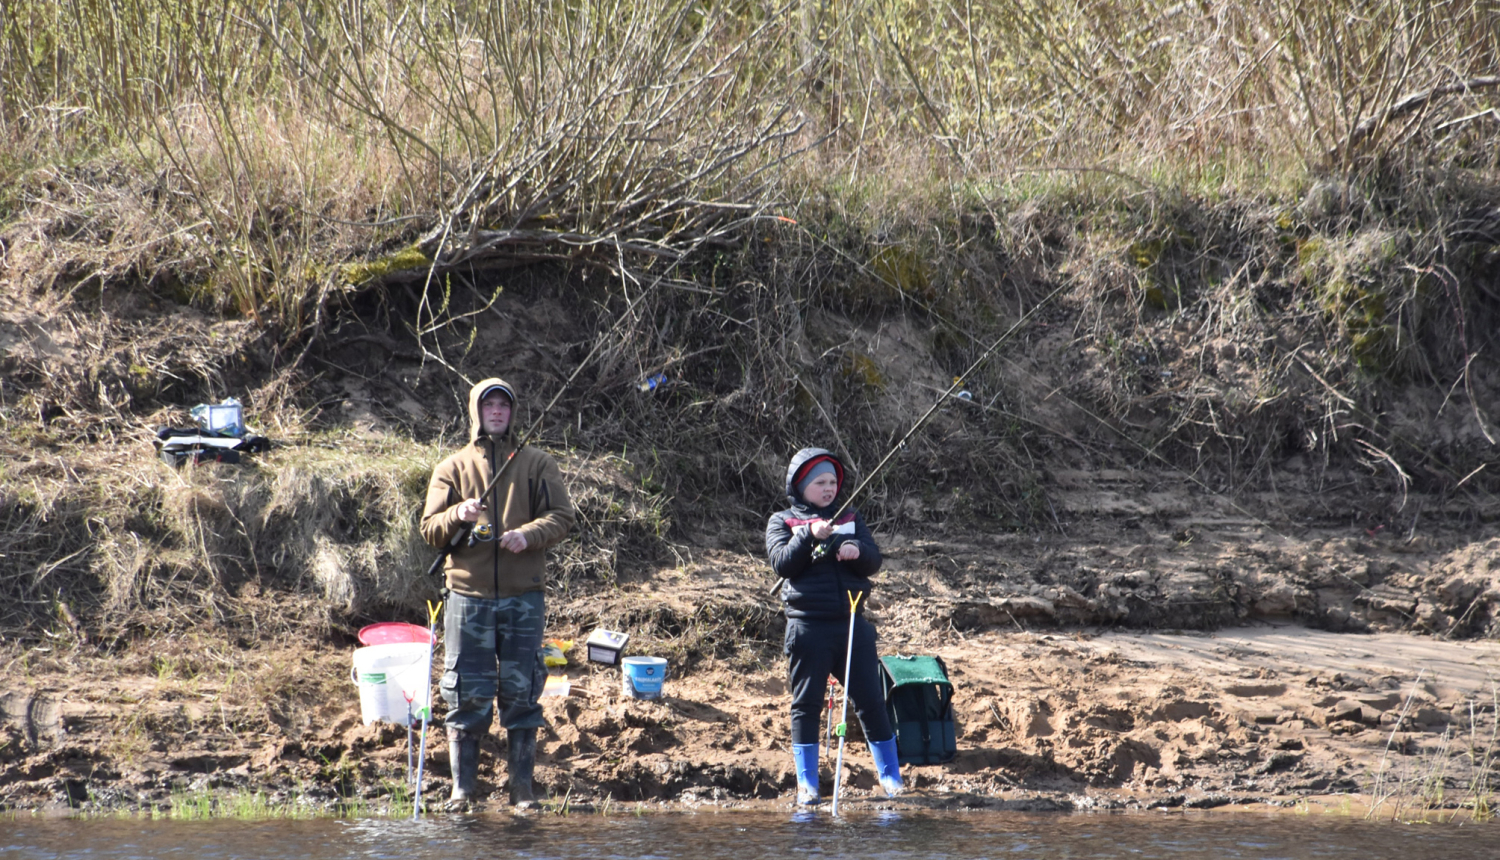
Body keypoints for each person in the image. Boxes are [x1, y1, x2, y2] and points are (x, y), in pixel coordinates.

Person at [420, 377, 576, 806]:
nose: (496, 412)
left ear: (512, 412)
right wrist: (457, 514)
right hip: (466, 600)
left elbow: (563, 516)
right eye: (488, 405)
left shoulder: (538, 463)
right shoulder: (451, 468)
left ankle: (522, 791)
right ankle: (462, 791)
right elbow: (430, 529)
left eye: (503, 406)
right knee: (466, 694)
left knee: (522, 693)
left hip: (523, 597)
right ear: (476, 411)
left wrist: (528, 534)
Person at [765, 447, 903, 805]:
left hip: (853, 625)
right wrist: (809, 534)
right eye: (819, 483)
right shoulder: (781, 522)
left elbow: (873, 561)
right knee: (806, 704)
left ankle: (892, 778)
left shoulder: (851, 518)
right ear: (800, 486)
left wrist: (855, 548)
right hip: (807, 629)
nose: (828, 489)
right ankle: (807, 785)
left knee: (872, 702)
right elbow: (782, 564)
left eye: (832, 482)